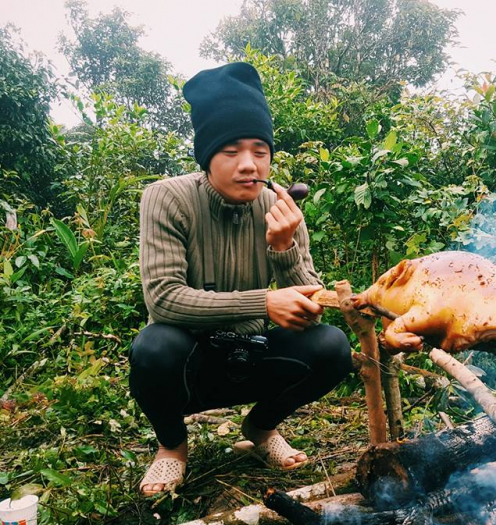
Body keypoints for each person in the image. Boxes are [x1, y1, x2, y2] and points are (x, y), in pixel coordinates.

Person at [129, 62, 353, 496]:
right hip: (192, 363)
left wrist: (284, 247)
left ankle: (260, 427)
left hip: (253, 356)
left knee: (331, 346)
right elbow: (164, 300)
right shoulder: (167, 197)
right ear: (207, 155)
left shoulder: (281, 206)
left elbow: (310, 307)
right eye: (231, 151)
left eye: (260, 151)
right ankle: (172, 447)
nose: (249, 165)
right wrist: (263, 303)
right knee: (153, 346)